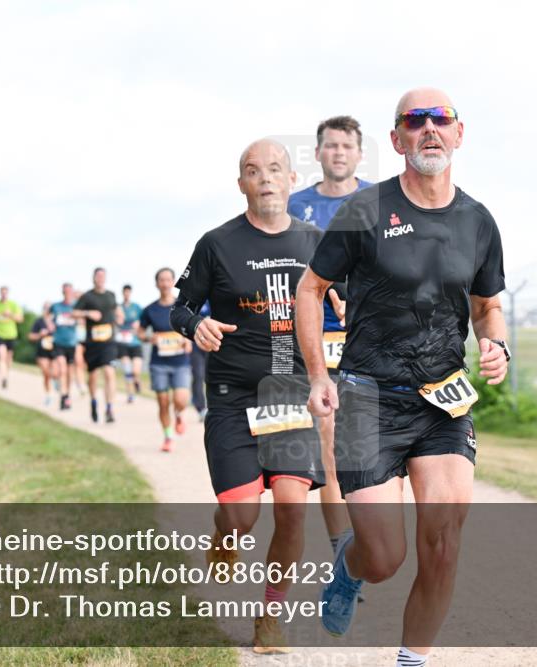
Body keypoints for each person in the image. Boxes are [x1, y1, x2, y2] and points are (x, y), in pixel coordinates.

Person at [295, 88, 509, 667]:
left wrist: (497, 344)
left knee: (442, 541)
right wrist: (319, 375)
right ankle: (349, 568)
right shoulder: (366, 210)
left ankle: (412, 659)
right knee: (384, 556)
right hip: (367, 398)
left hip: (444, 401)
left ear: (459, 134)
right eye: (415, 121)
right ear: (396, 140)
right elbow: (310, 289)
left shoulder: (478, 220)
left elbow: (488, 305)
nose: (429, 129)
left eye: (441, 119)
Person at [170, 138, 326, 655]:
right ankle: (223, 536)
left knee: (292, 509)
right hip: (234, 394)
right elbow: (180, 308)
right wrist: (197, 325)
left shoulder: (316, 241)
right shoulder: (217, 243)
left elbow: (350, 291)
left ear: (292, 180)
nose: (264, 178)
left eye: (275, 168)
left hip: (292, 392)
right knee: (240, 517)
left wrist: (353, 304)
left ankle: (271, 616)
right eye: (252, 170)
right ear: (241, 184)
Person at [287, 115, 372, 557]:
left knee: (372, 442)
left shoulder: (379, 200)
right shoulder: (294, 205)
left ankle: (370, 535)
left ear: (359, 153)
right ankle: (343, 547)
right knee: (331, 439)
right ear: (318, 153)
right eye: (331, 145)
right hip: (320, 339)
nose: (338, 152)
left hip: (374, 338)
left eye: (347, 146)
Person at [139, 268, 192, 451]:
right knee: (162, 401)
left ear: (173, 282)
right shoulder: (150, 310)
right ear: (156, 284)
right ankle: (168, 437)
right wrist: (148, 338)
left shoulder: (182, 306)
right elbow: (139, 332)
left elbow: (193, 327)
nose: (165, 283)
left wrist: (188, 341)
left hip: (180, 362)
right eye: (161, 280)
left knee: (181, 399)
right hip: (159, 362)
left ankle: (179, 414)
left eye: (168, 280)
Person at [73, 268, 124, 423]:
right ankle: (94, 401)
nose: (101, 278)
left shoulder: (111, 295)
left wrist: (120, 316)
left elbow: (116, 309)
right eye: (98, 276)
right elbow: (74, 313)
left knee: (109, 372)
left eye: (103, 276)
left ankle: (109, 408)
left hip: (109, 341)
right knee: (93, 377)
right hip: (92, 343)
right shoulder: (87, 296)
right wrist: (88, 314)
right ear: (93, 278)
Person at [50, 283, 79, 410]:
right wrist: (49, 324)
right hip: (59, 342)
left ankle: (67, 395)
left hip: (72, 343)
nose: (68, 294)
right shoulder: (56, 306)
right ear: (62, 292)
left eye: (70, 291)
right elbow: (47, 315)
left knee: (69, 373)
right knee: (62, 369)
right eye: (65, 291)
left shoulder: (76, 307)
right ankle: (62, 396)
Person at [0, 286, 24, 389]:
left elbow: (20, 319)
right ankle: (3, 377)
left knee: (8, 359)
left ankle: (6, 375)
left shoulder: (13, 305)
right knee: (1, 356)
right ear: (0, 293)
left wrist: (10, 315)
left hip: (11, 334)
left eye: (5, 293)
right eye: (2, 292)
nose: (4, 294)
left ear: (8, 293)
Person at [116, 284, 144, 403]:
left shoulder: (136, 307)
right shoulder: (118, 307)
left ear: (130, 293)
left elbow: (144, 320)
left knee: (135, 371)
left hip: (135, 342)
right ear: (123, 293)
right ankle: (130, 394)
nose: (126, 294)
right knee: (127, 370)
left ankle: (137, 381)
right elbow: (115, 321)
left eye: (128, 292)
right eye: (125, 292)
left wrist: (138, 323)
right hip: (123, 343)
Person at [29, 303, 57, 407]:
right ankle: (48, 395)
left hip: (55, 351)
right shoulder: (39, 322)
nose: (47, 310)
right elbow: (31, 336)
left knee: (55, 373)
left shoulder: (56, 321)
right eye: (45, 308)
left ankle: (55, 380)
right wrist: (40, 335)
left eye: (49, 308)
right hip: (42, 352)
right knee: (45, 372)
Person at [189, 301, 211, 421]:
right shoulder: (195, 298)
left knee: (213, 377)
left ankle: (214, 406)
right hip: (196, 347)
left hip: (215, 345)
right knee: (198, 376)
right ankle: (201, 408)